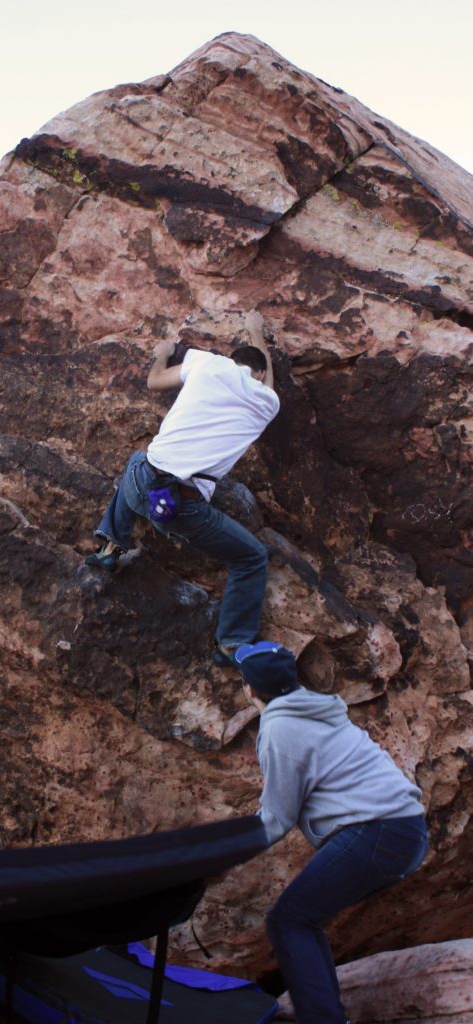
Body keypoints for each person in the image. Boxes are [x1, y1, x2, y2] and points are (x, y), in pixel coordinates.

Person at [235, 641, 428, 1024]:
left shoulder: (279, 727)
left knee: (287, 920)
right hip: (408, 830)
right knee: (303, 918)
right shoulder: (318, 706)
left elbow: (277, 819)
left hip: (376, 833)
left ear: (249, 689)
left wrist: (217, 854)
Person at [86, 310, 280, 664]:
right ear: (261, 374)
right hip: (180, 509)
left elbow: (155, 381)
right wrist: (256, 331)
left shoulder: (206, 364)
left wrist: (162, 351)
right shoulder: (266, 402)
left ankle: (108, 546)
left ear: (229, 361)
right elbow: (267, 380)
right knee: (251, 558)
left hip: (142, 480)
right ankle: (232, 644)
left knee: (139, 459)